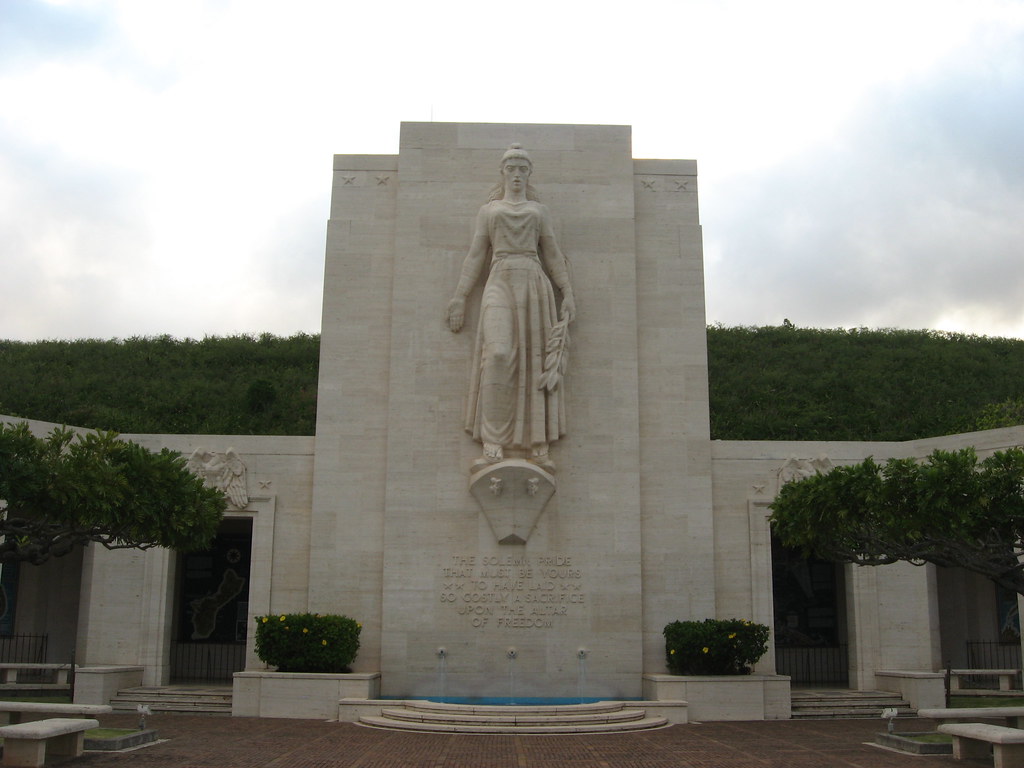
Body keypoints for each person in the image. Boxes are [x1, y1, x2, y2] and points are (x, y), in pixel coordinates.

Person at [446, 144, 575, 470]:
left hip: (533, 282)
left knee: (535, 363)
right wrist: (460, 296)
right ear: (503, 172)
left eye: (522, 169)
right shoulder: (489, 211)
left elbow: (553, 254)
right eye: (511, 168)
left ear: (528, 173)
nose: (516, 174)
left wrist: (567, 291)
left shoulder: (539, 211)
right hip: (499, 279)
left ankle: (537, 443)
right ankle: (493, 438)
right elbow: (476, 255)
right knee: (498, 354)